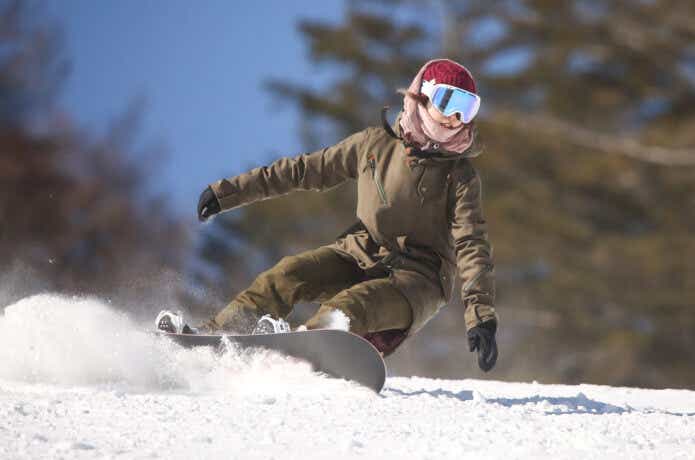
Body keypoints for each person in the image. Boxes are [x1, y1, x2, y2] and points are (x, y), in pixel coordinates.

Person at [157, 59, 498, 372]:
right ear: (421, 96)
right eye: (448, 102)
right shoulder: (373, 146)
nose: (455, 118)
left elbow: (471, 244)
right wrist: (228, 192)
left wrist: (480, 317)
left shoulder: (460, 175)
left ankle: (300, 352)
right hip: (360, 252)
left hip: (418, 279)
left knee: (348, 307)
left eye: (467, 108)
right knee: (286, 274)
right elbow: (303, 170)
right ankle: (213, 340)